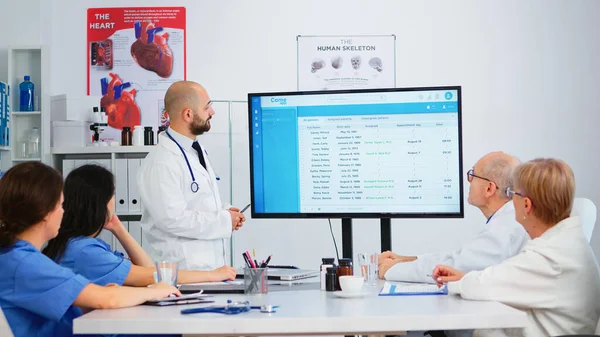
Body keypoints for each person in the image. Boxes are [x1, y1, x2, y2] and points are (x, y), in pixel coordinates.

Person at [0, 162, 180, 337]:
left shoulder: (14, 257)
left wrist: (101, 295)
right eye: (61, 205)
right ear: (45, 213)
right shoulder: (24, 264)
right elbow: (108, 299)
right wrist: (157, 291)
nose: (64, 212)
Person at [434, 158, 600, 337]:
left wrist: (457, 282)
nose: (510, 200)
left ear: (526, 205)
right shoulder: (566, 243)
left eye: (513, 193)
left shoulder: (548, 256)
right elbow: (501, 279)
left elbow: (482, 286)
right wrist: (466, 277)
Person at [43, 164, 237, 287]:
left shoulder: (77, 244)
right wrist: (212, 275)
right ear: (101, 202)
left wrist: (118, 228)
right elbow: (154, 275)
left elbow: (147, 269)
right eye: (112, 195)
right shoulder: (85, 252)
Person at [137, 81, 246, 270]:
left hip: (208, 271)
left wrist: (226, 212)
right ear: (188, 114)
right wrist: (223, 220)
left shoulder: (195, 150)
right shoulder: (161, 162)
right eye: (207, 107)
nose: (212, 112)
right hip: (182, 272)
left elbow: (196, 202)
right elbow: (171, 219)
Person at [379, 151, 529, 283]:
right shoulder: (508, 219)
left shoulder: (505, 229)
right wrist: (406, 260)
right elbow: (458, 256)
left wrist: (393, 270)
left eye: (473, 175)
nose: (469, 181)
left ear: (489, 188)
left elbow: (455, 265)